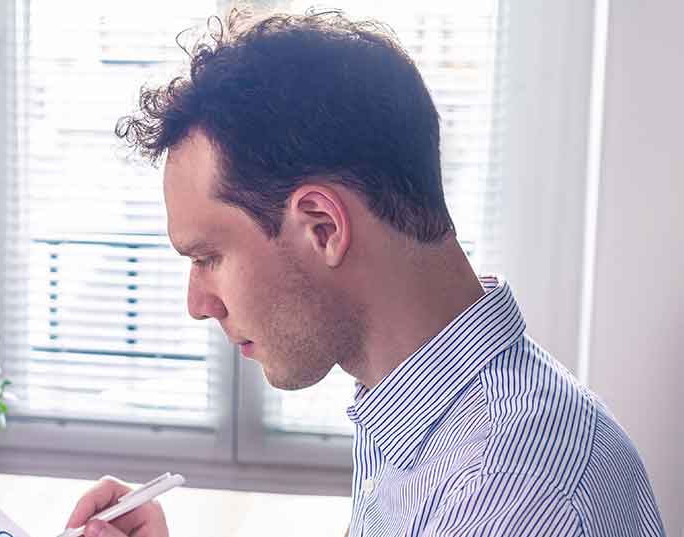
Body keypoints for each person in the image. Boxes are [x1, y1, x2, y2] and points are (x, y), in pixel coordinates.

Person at [64, 9, 666, 537]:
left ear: (323, 227)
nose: (198, 303)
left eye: (207, 258)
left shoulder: (505, 493)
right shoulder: (431, 421)